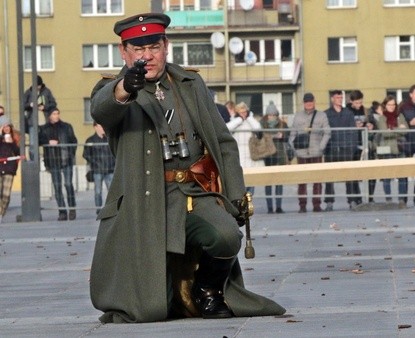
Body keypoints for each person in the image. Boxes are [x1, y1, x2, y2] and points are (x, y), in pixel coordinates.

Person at [89, 13, 285, 323]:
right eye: (137, 50)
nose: (147, 56)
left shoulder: (190, 83)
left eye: (153, 46)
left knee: (226, 235)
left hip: (192, 191)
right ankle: (173, 292)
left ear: (166, 46)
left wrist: (235, 195)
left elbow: (223, 142)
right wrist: (125, 88)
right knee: (153, 309)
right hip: (145, 200)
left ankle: (207, 290)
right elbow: (101, 109)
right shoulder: (114, 89)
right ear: (123, 52)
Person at [289, 92, 330, 213]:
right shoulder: (297, 116)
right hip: (301, 154)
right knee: (302, 181)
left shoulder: (321, 115)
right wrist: (295, 149)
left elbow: (327, 132)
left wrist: (321, 147)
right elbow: (292, 134)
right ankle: (302, 205)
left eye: (311, 101)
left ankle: (317, 205)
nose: (309, 103)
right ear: (303, 103)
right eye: (306, 101)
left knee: (317, 180)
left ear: (314, 102)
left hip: (316, 153)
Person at [38, 108, 77, 221]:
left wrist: (70, 154)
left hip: (66, 160)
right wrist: (47, 142)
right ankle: (62, 212)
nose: (56, 115)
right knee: (57, 187)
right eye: (54, 114)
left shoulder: (66, 127)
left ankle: (72, 208)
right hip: (53, 161)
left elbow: (73, 141)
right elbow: (38, 140)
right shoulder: (44, 129)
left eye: (57, 113)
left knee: (68, 184)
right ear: (49, 115)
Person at [323, 90, 358, 211]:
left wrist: (351, 147)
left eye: (341, 97)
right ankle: (329, 202)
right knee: (329, 177)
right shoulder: (326, 114)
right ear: (332, 99)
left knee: (349, 176)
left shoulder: (348, 113)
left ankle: (352, 200)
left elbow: (353, 131)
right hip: (331, 150)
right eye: (337, 97)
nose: (340, 99)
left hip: (345, 149)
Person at [374, 96, 408, 206]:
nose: (391, 107)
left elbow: (406, 130)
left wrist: (392, 130)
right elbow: (385, 133)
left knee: (402, 175)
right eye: (389, 105)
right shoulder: (382, 118)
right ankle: (388, 199)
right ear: (385, 105)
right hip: (387, 149)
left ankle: (402, 199)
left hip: (399, 148)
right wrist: (399, 129)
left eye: (393, 104)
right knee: (387, 176)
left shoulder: (400, 116)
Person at [226, 101, 264, 195]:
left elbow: (258, 128)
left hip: (250, 155)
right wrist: (239, 120)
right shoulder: (234, 121)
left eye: (245, 112)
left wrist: (249, 118)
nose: (243, 114)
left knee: (250, 186)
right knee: (240, 184)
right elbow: (227, 128)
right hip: (238, 155)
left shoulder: (251, 121)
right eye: (241, 112)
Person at [260, 101, 289, 214]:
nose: (272, 117)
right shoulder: (262, 124)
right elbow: (259, 136)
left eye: (273, 115)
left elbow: (287, 137)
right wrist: (271, 136)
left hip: (280, 155)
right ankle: (269, 207)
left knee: (279, 182)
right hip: (267, 155)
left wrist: (283, 135)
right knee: (268, 182)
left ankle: (278, 206)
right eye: (270, 115)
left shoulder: (282, 124)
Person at [82, 122, 115, 215]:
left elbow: (115, 152)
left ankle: (112, 208)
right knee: (98, 191)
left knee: (112, 191)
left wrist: (113, 163)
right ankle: (99, 209)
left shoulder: (109, 139)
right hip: (97, 170)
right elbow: (86, 154)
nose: (102, 128)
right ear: (95, 127)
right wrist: (94, 162)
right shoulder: (90, 140)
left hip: (110, 169)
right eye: (100, 126)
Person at [0, 118, 21, 222]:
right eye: (4, 126)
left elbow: (18, 152)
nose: (6, 128)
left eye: (8, 126)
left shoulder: (15, 137)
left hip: (9, 169)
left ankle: (1, 213)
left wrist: (11, 143)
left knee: (6, 195)